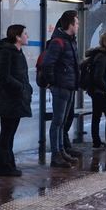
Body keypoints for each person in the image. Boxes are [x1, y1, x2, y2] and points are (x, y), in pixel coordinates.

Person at [41, 10, 81, 168]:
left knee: (62, 121)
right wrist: (52, 82)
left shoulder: (70, 41)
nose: (78, 26)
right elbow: (47, 64)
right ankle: (56, 155)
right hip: (61, 86)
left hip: (69, 85)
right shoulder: (58, 42)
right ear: (70, 24)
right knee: (57, 122)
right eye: (77, 23)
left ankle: (61, 150)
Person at [0, 24, 32, 177]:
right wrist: (21, 87)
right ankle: (4, 166)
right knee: (7, 134)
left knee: (9, 133)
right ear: (17, 37)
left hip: (15, 99)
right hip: (8, 100)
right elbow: (3, 77)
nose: (27, 36)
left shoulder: (17, 51)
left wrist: (26, 88)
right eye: (25, 33)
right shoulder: (6, 53)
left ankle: (8, 165)